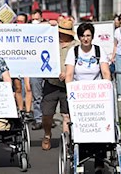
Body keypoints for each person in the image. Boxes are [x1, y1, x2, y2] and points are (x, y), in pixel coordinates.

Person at [65, 22, 111, 174]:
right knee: (81, 124)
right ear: (79, 37)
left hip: (96, 93)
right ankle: (81, 154)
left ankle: (99, 160)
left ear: (92, 36)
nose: (85, 39)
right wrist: (69, 90)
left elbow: (105, 72)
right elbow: (69, 74)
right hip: (79, 93)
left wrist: (107, 88)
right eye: (83, 36)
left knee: (99, 124)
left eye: (88, 36)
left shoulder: (99, 51)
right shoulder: (74, 51)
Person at [40, 18, 78, 151]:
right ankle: (47, 134)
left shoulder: (75, 46)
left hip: (68, 85)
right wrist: (49, 24)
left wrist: (67, 73)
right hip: (51, 83)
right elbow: (34, 30)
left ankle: (67, 140)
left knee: (66, 115)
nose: (62, 35)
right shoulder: (51, 42)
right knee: (46, 114)